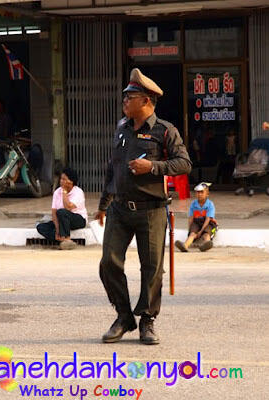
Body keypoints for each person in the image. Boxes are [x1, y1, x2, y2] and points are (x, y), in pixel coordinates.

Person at [95, 68, 192, 345]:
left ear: (147, 101)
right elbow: (112, 169)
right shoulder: (121, 129)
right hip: (120, 209)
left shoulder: (165, 131)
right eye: (125, 97)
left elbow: (184, 163)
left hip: (151, 210)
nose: (125, 101)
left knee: (152, 268)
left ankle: (147, 321)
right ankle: (124, 317)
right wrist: (103, 205)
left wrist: (153, 166)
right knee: (108, 264)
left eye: (131, 97)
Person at [37, 168, 88, 250]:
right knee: (41, 227)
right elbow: (54, 213)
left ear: (71, 181)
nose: (61, 181)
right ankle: (63, 240)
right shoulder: (57, 192)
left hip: (78, 219)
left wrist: (64, 191)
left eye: (64, 179)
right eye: (61, 179)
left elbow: (68, 207)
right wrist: (57, 230)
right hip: (61, 221)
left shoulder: (78, 192)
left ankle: (67, 238)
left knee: (62, 212)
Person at [175, 182, 217, 253]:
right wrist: (190, 229)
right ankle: (185, 245)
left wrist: (200, 231)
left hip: (208, 223)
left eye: (201, 192)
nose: (199, 194)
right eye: (198, 192)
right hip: (197, 221)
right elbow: (191, 217)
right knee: (192, 234)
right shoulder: (193, 204)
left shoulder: (210, 204)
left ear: (207, 194)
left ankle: (205, 245)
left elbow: (208, 219)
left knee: (206, 235)